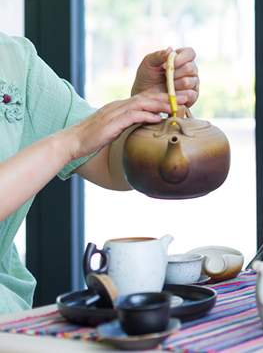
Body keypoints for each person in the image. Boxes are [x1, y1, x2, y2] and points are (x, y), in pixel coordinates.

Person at [0, 33, 199, 313]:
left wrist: (142, 111)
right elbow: (78, 140)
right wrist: (69, 142)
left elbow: (108, 164)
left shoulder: (13, 61)